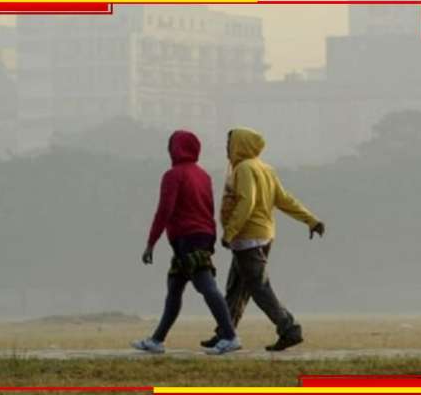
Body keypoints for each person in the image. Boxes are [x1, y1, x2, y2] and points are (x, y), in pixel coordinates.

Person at [201, 127, 325, 352]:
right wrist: (311, 220)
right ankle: (224, 332)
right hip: (263, 235)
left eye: (230, 144)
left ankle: (289, 328)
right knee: (237, 288)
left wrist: (229, 232)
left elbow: (246, 202)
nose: (226, 149)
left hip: (248, 237)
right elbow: (284, 199)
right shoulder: (265, 168)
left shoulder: (244, 169)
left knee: (259, 287)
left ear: (240, 145)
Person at [132, 129, 241, 355]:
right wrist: (211, 237)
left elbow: (164, 210)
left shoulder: (173, 176)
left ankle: (230, 336)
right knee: (174, 288)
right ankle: (156, 340)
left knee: (206, 286)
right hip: (200, 236)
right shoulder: (204, 175)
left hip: (187, 239)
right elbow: (209, 210)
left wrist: (151, 242)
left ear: (175, 148)